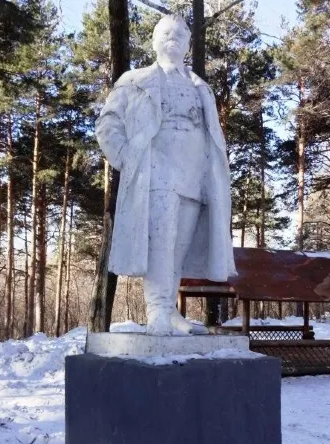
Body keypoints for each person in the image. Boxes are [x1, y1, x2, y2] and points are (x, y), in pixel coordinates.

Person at [95, 14, 236, 336]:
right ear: (154, 41)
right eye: (166, 33)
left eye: (180, 35)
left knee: (178, 247)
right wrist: (127, 159)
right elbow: (108, 124)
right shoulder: (134, 81)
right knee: (160, 241)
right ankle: (157, 310)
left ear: (188, 44)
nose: (173, 38)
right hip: (155, 173)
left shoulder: (202, 89)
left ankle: (169, 311)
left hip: (195, 175)